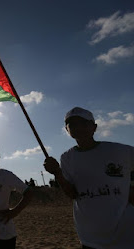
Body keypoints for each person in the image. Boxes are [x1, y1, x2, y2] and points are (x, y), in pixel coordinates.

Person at [44, 106, 134, 249]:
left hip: (126, 235)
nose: (77, 127)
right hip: (89, 237)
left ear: (94, 127)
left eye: (83, 123)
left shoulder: (120, 151)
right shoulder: (67, 157)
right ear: (67, 130)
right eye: (72, 124)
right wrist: (57, 173)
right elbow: (73, 193)